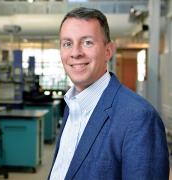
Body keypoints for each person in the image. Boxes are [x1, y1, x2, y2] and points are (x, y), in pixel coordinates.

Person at [48, 7, 169, 180]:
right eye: (67, 43)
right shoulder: (72, 106)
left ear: (108, 51)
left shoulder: (139, 118)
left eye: (87, 42)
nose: (75, 53)